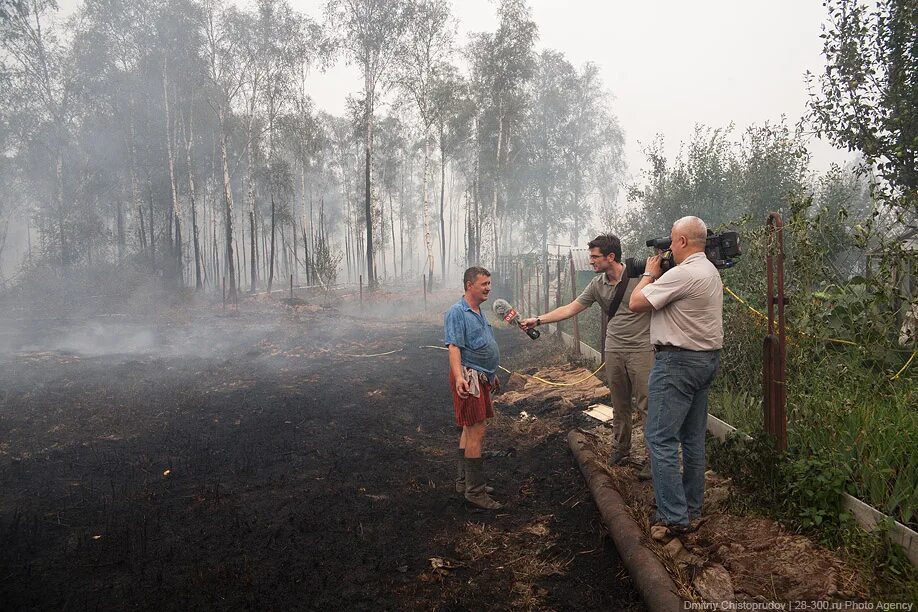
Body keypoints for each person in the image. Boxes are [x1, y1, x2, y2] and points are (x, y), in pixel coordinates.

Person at [520, 234, 653, 477]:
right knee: (619, 402)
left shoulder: (639, 276)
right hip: (613, 348)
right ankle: (621, 449)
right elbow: (571, 308)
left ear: (610, 257)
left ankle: (653, 459)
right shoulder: (596, 285)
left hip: (642, 349)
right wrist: (538, 319)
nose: (590, 261)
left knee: (646, 404)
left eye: (594, 257)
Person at [629, 216, 723, 533]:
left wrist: (648, 274)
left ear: (682, 241)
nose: (668, 247)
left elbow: (635, 302)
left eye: (671, 240)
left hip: (677, 364)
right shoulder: (710, 270)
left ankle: (672, 516)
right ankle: (691, 508)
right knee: (693, 439)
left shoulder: (684, 273)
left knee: (660, 438)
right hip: (705, 361)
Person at [444, 266, 503, 510]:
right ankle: (475, 492)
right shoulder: (457, 312)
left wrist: (491, 373)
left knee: (469, 429)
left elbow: (482, 345)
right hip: (469, 378)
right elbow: (454, 347)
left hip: (482, 377)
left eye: (489, 283)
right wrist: (459, 378)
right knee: (477, 431)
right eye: (484, 284)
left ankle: (464, 481)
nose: (488, 288)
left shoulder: (478, 311)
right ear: (470, 285)